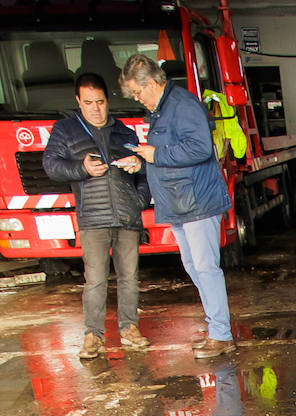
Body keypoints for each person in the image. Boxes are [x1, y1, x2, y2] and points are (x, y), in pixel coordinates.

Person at [120, 53, 235, 359]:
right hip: (181, 202)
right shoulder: (162, 109)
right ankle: (216, 329)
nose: (137, 99)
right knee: (195, 267)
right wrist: (142, 160)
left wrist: (156, 156)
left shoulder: (181, 105)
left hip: (197, 200)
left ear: (153, 83)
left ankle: (221, 335)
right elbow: (167, 151)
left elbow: (199, 148)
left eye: (137, 92)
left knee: (206, 268)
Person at [42, 73, 151, 360]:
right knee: (96, 280)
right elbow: (51, 166)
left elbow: (144, 172)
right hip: (93, 217)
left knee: (130, 277)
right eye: (88, 102)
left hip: (127, 216)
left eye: (100, 102)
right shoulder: (65, 130)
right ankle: (93, 335)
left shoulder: (124, 132)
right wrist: (82, 169)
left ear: (108, 101)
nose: (95, 108)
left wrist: (139, 189)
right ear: (78, 101)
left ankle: (129, 328)